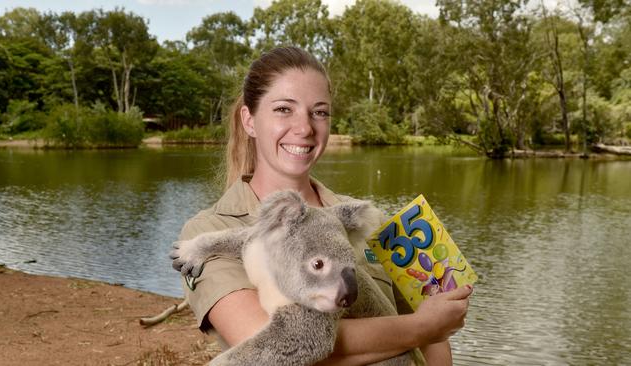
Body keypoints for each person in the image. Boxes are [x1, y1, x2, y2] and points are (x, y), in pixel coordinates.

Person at [178, 46, 472, 365]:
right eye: (283, 109)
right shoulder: (206, 233)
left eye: (319, 112)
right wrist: (419, 328)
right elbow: (269, 348)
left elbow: (439, 334)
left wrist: (432, 328)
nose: (305, 128)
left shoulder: (374, 221)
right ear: (249, 120)